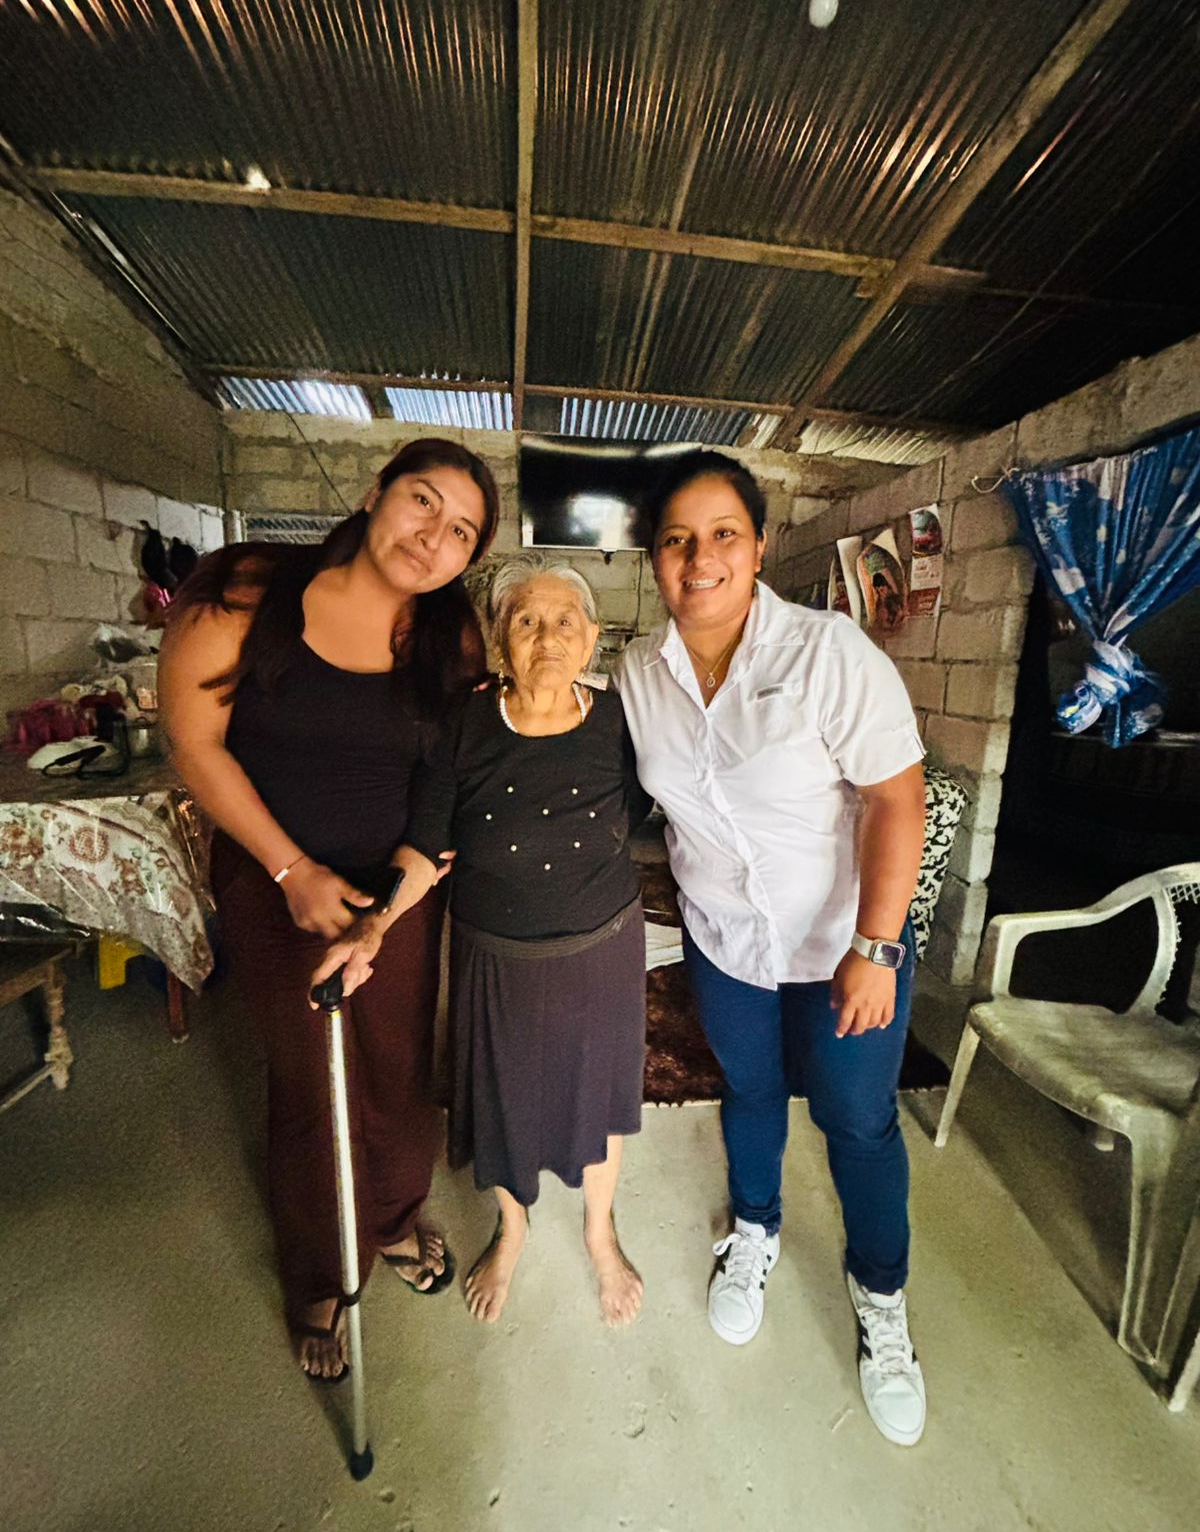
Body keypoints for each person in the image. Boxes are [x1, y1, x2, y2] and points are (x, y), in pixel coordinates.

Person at [158, 438, 500, 1381]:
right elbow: (194, 743)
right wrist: (291, 871)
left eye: (461, 531)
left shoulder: (450, 638)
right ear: (374, 492)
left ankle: (390, 1218)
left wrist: (389, 903)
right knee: (314, 1079)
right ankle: (319, 1269)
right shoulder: (247, 595)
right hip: (274, 885)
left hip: (396, 891)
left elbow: (443, 781)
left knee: (395, 1065)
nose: (432, 536)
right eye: (422, 502)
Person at [616, 451, 928, 1446]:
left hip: (844, 944)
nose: (698, 558)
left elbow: (898, 800)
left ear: (757, 547)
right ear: (654, 559)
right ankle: (752, 1232)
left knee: (857, 1122)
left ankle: (880, 1297)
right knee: (749, 1090)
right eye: (676, 540)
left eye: (722, 535)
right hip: (726, 942)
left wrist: (877, 946)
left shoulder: (827, 653)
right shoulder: (639, 675)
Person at [314, 553, 648, 1328]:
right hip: (497, 955)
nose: (547, 638)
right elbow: (424, 844)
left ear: (591, 637)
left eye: (564, 621)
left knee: (599, 1096)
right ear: (500, 641)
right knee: (503, 1099)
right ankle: (514, 1228)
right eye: (526, 621)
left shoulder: (619, 722)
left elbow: (645, 810)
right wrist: (375, 923)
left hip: (602, 948)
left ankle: (600, 1233)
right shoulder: (463, 725)